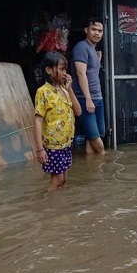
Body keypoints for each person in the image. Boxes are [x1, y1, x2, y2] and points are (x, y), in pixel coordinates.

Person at [34, 51, 82, 191]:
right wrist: (40, 149)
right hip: (53, 145)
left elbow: (78, 112)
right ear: (48, 70)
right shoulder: (43, 92)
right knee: (57, 180)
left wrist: (70, 90)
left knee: (64, 179)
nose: (63, 72)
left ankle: (58, 207)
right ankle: (46, 205)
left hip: (67, 143)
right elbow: (38, 121)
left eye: (64, 69)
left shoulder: (65, 90)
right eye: (60, 69)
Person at [72, 17, 105, 155]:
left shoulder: (92, 49)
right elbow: (81, 74)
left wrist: (97, 61)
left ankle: (93, 170)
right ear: (86, 30)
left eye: (100, 30)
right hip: (85, 99)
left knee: (94, 137)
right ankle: (105, 165)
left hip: (97, 97)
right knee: (94, 136)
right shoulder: (81, 47)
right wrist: (88, 99)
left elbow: (91, 72)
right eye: (94, 29)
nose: (97, 33)